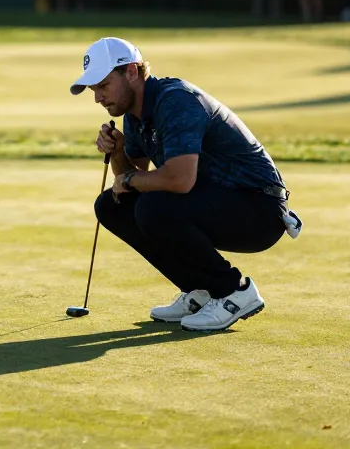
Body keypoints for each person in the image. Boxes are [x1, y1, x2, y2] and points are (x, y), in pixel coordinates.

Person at [69, 37, 300, 332]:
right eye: (93, 90)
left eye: (103, 86)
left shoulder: (175, 100)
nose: (98, 98)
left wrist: (130, 178)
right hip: (217, 202)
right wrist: (117, 154)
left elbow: (178, 179)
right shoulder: (133, 115)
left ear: (131, 72)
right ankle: (200, 290)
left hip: (259, 209)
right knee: (112, 205)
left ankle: (233, 291)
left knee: (154, 206)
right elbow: (130, 183)